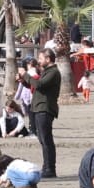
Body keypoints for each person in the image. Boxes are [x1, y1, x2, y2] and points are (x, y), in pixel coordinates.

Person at [29, 48, 63, 179]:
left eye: (41, 58)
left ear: (48, 59)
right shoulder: (46, 72)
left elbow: (40, 85)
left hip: (45, 109)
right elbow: (37, 86)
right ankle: (46, 166)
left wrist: (27, 76)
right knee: (43, 139)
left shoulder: (53, 72)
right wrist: (25, 80)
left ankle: (50, 168)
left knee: (46, 140)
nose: (39, 61)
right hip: (38, 108)